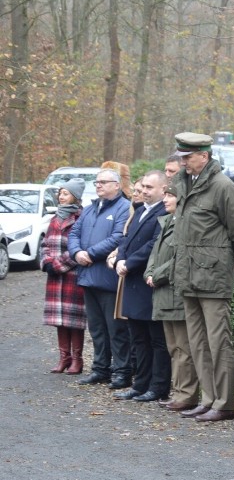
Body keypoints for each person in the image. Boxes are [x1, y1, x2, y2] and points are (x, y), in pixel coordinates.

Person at [171, 132, 234, 422]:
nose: (184, 163)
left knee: (218, 343)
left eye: (188, 157)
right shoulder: (185, 185)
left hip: (213, 279)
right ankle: (208, 398)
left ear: (204, 155)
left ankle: (225, 403)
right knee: (198, 343)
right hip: (188, 277)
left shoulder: (223, 187)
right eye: (182, 157)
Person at [69, 168, 132, 388]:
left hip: (109, 279)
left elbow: (118, 237)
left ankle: (122, 372)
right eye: (96, 182)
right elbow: (74, 233)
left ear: (117, 184)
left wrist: (91, 253)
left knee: (116, 330)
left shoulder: (125, 208)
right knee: (96, 329)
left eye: (103, 182)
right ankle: (100, 369)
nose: (98, 186)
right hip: (88, 277)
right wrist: (77, 252)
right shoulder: (89, 209)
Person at [113, 171, 171, 403]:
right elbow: (126, 240)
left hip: (150, 282)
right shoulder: (139, 211)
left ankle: (158, 387)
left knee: (156, 340)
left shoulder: (164, 212)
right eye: (143, 186)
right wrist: (120, 258)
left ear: (163, 189)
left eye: (149, 187)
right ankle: (140, 384)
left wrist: (129, 263)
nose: (144, 191)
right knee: (138, 339)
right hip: (132, 282)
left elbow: (154, 244)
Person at [144, 183, 198, 412]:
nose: (165, 199)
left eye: (170, 195)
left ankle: (187, 395)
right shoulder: (167, 222)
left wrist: (156, 275)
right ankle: (178, 392)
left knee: (184, 348)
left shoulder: (184, 225)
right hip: (163, 293)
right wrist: (149, 272)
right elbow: (156, 254)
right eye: (164, 194)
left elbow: (178, 258)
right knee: (174, 347)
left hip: (175, 293)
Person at [41, 178, 87, 375]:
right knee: (59, 320)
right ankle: (63, 358)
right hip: (54, 277)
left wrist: (58, 265)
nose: (61, 196)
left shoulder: (81, 218)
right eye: (60, 193)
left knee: (74, 320)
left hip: (73, 276)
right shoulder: (54, 218)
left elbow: (81, 248)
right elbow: (45, 244)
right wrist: (46, 262)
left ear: (75, 197)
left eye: (65, 193)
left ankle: (77, 360)